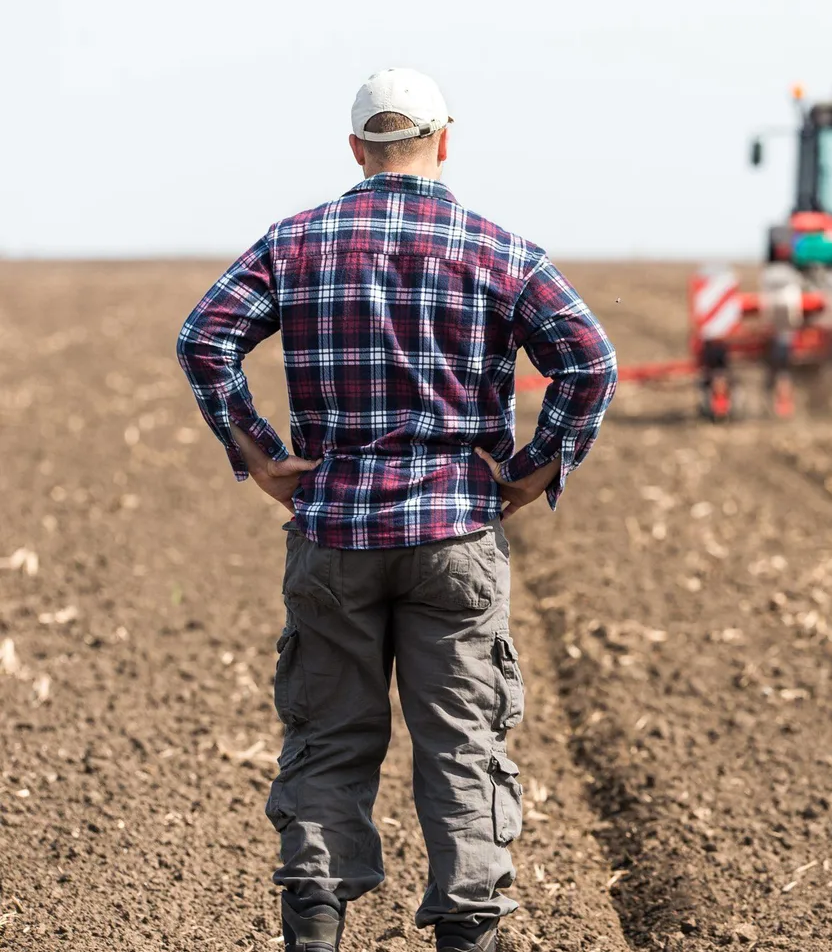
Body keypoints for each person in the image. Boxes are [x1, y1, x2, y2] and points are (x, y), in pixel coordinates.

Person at [176, 68, 618, 952]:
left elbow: (205, 337)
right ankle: (468, 933)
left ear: (357, 152)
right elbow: (590, 362)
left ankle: (314, 929)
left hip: (333, 534)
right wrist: (533, 471)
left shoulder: (296, 242)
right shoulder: (499, 249)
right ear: (444, 142)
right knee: (462, 741)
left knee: (329, 736)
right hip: (456, 532)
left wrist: (259, 453)